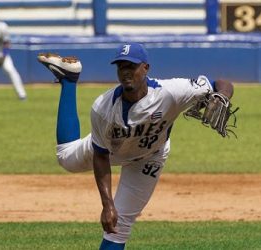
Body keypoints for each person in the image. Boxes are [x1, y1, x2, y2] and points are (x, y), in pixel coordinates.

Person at [37, 43, 234, 249]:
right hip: (111, 149)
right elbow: (101, 156)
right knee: (66, 159)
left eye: (131, 66)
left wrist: (222, 96)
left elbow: (222, 83)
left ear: (145, 68)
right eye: (121, 67)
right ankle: (69, 80)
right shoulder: (103, 108)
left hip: (149, 157)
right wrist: (107, 204)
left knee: (119, 226)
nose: (126, 72)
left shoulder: (172, 92)